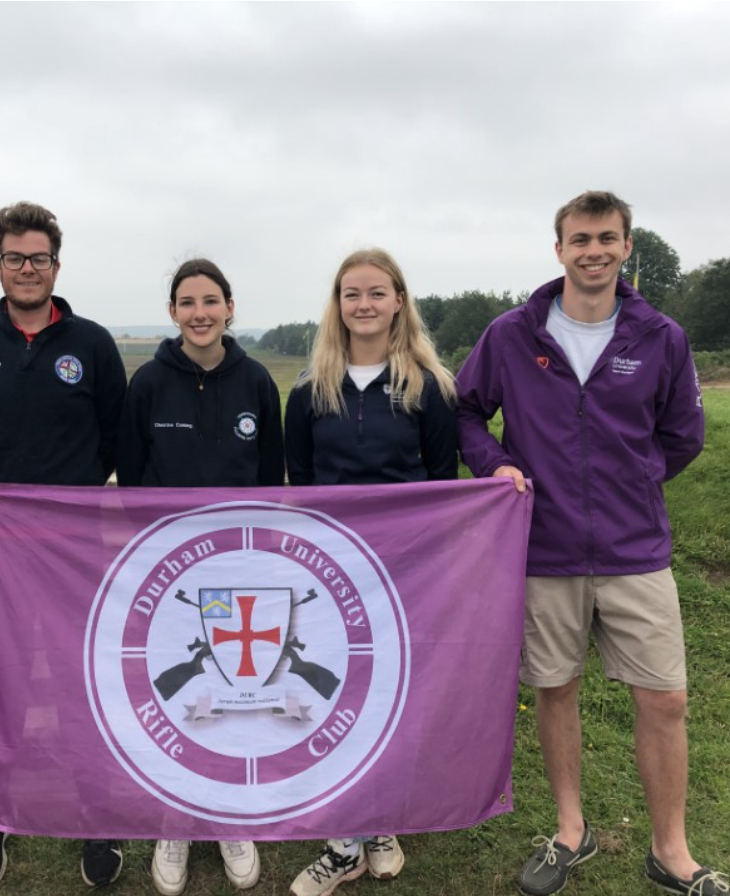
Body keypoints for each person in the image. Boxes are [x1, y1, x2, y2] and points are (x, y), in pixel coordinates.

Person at [456, 191, 730, 896]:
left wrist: (635, 484)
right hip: (544, 549)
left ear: (626, 247)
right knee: (555, 691)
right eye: (580, 239)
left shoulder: (661, 337)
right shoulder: (511, 333)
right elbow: (466, 411)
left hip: (634, 551)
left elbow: (683, 436)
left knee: (665, 700)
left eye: (607, 238)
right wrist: (496, 465)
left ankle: (671, 853)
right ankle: (569, 830)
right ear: (558, 250)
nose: (593, 251)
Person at [0, 201, 128, 891]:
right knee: (2, 687)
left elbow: (114, 437)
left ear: (56, 264)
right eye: (15, 258)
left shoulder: (95, 344)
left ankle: (96, 816)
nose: (27, 268)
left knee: (83, 681)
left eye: (38, 258)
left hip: (78, 551)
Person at [283, 249, 458, 896]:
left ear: (398, 301)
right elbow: (299, 487)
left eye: (376, 293)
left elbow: (443, 487)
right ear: (337, 304)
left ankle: (380, 822)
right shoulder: (308, 389)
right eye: (351, 293)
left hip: (404, 574)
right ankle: (342, 839)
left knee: (389, 696)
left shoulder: (429, 386)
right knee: (336, 698)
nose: (363, 304)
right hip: (329, 576)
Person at [117, 258, 282, 895]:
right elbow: (131, 480)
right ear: (173, 314)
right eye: (187, 303)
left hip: (240, 571)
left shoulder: (259, 382)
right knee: (177, 694)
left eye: (210, 301)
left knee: (237, 690)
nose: (200, 313)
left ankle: (230, 816)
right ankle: (177, 816)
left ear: (230, 307)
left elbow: (271, 483)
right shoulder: (149, 384)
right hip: (168, 572)